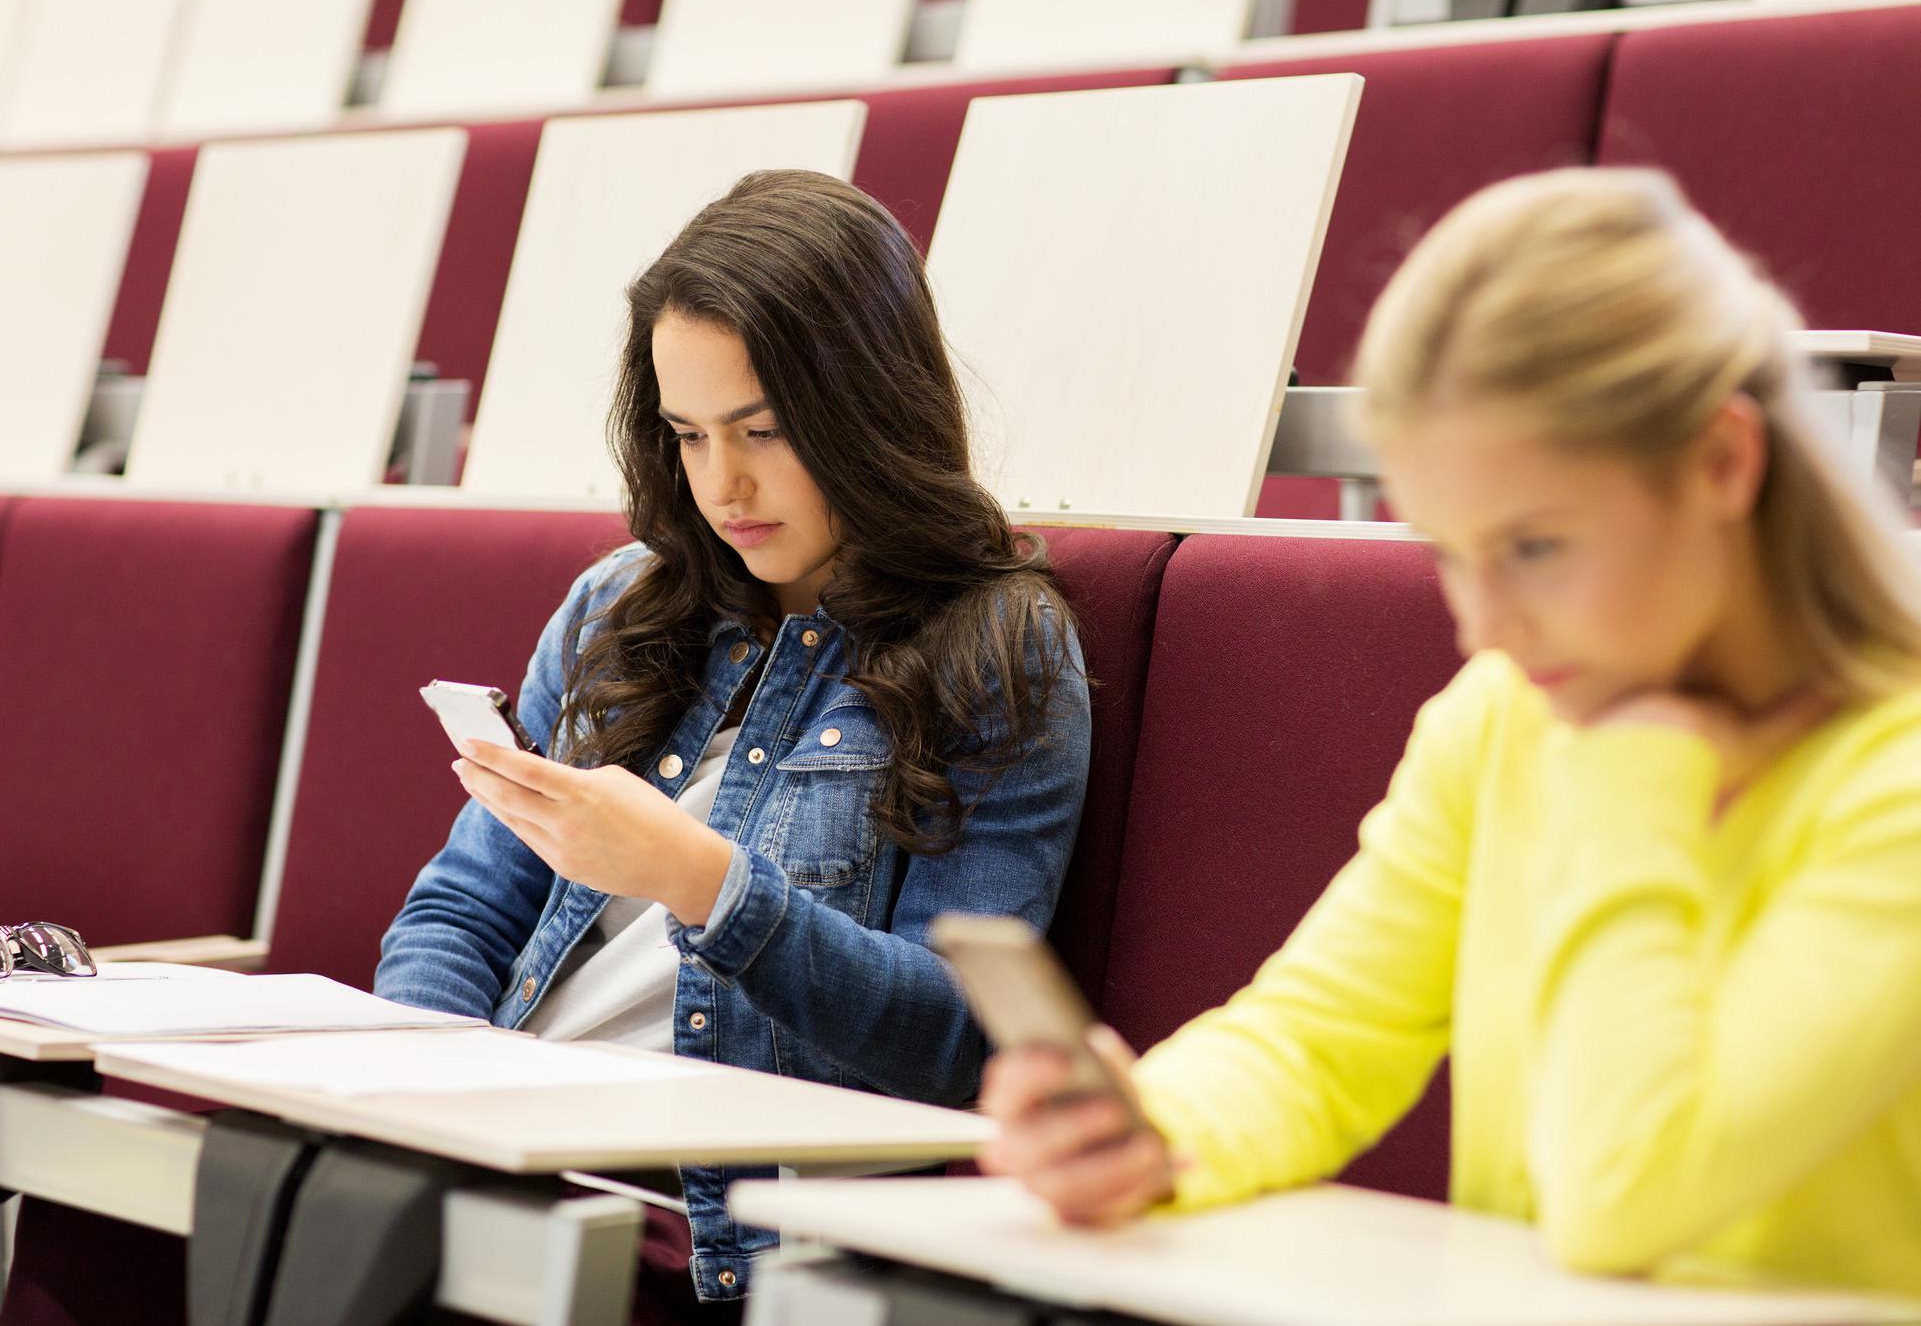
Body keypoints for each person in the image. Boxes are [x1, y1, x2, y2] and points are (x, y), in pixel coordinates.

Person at [979, 167, 1921, 1296]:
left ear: (1722, 462)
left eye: (1531, 548)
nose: (1483, 626)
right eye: (1448, 552)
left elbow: (1627, 1189)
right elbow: (1319, 1037)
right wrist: (1152, 1130)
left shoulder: (1887, 774)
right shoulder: (1508, 709)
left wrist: (1633, 772)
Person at [375, 169, 1092, 1309]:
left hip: (697, 1226)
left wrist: (704, 885)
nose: (723, 484)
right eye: (688, 435)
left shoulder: (996, 650)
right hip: (502, 1164)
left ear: (866, 409)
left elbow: (954, 1040)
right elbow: (460, 912)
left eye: (761, 431)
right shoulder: (620, 604)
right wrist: (414, 1095)